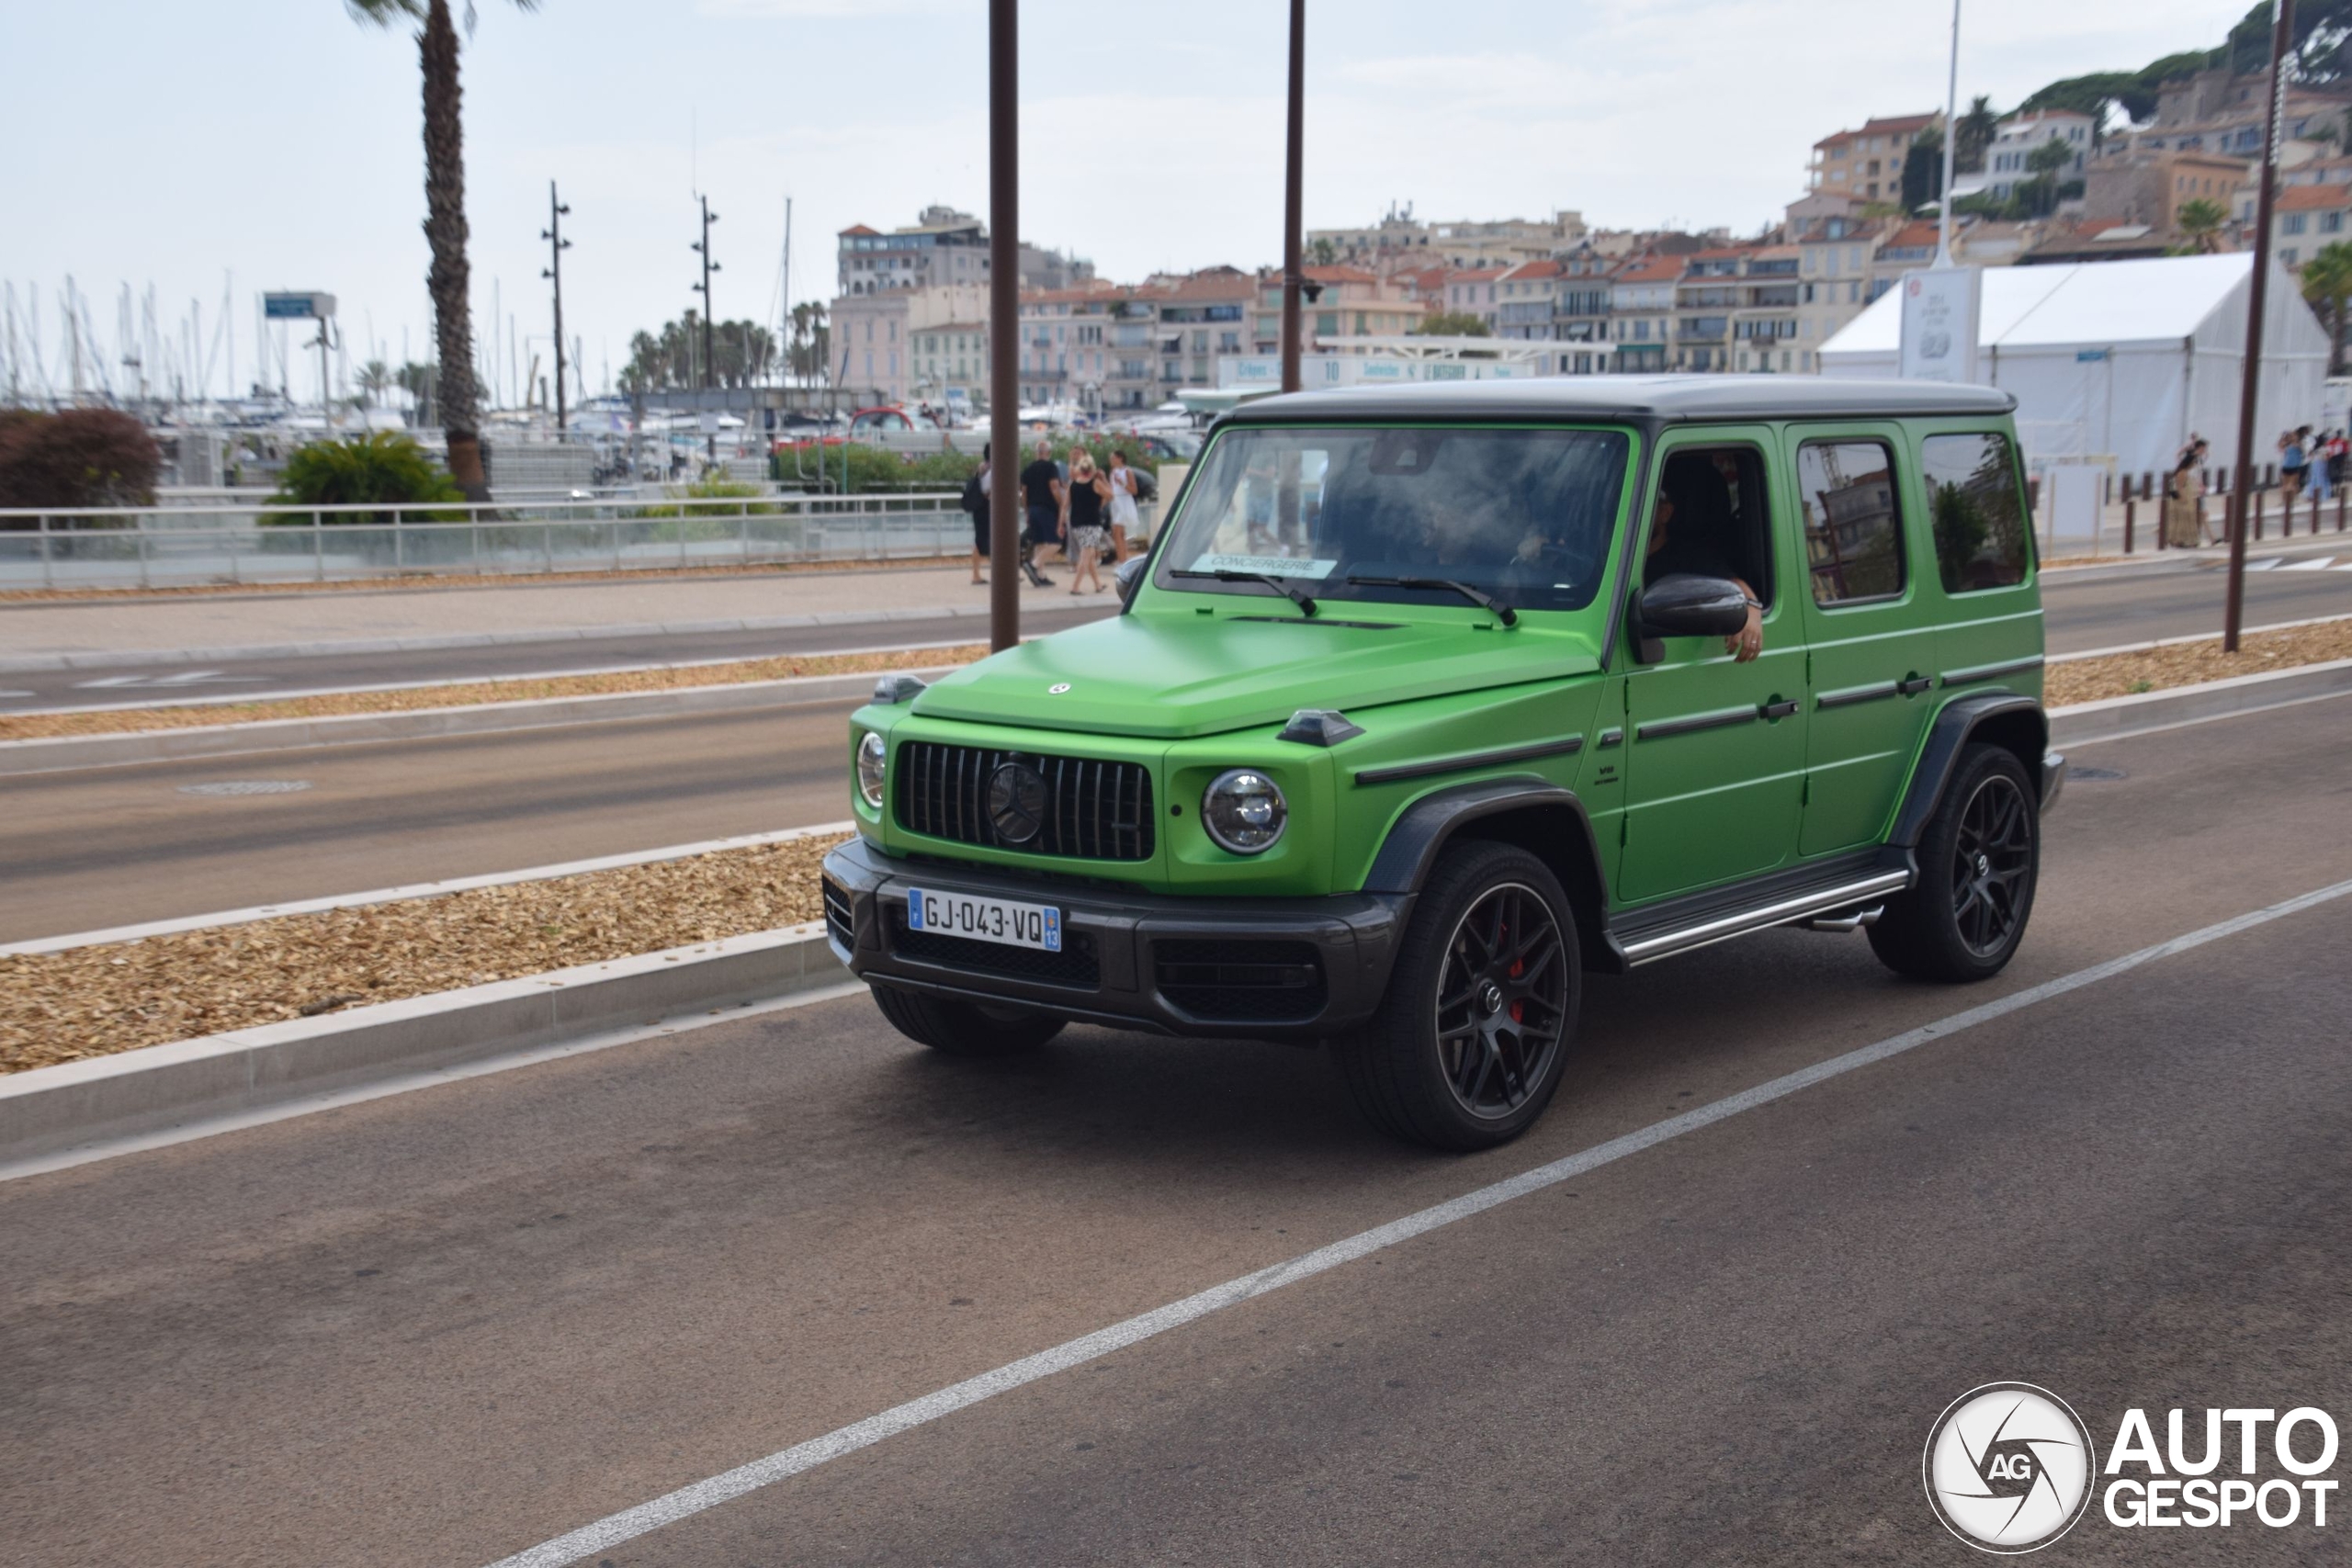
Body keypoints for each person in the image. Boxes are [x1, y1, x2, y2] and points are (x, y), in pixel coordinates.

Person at [1646, 453, 1763, 661]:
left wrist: (1752, 612)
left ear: (1665, 513)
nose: (1635, 515)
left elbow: (1734, 585)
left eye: (1646, 507)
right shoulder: (1619, 558)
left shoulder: (1691, 557)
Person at [1063, 452, 1113, 594]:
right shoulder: (1095, 483)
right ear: (1092, 469)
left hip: (1076, 523)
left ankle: (1098, 584)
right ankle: (1075, 587)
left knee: (1089, 555)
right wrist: (1103, 480)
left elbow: (1065, 505)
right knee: (1086, 556)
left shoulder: (1073, 485)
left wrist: (1061, 522)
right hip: (1092, 523)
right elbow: (1110, 495)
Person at [1021, 440, 1066, 570]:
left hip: (1033, 509)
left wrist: (1027, 512)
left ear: (1036, 453)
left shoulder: (1028, 469)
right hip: (1047, 509)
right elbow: (1054, 488)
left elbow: (1024, 493)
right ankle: (1033, 565)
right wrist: (1062, 504)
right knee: (1055, 543)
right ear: (1049, 452)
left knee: (1039, 543)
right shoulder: (1051, 467)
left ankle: (1040, 575)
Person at [2163, 444, 2206, 549]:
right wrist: (2184, 499)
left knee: (2187, 520)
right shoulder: (2182, 473)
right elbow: (2179, 487)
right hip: (2182, 499)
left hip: (2187, 498)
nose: (2194, 465)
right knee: (2183, 520)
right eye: (2193, 463)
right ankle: (2181, 540)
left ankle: (2184, 540)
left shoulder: (2185, 472)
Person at [962, 445, 991, 585]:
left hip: (979, 507)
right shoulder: (992, 469)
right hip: (987, 508)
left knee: (980, 540)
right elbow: (987, 490)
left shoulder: (982, 468)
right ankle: (977, 575)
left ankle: (976, 574)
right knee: (987, 540)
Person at [1106, 449, 1141, 561]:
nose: (1111, 460)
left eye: (1113, 458)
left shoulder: (1127, 471)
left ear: (1120, 458)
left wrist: (1122, 483)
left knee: (1118, 532)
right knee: (1118, 534)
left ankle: (1122, 560)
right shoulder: (1113, 472)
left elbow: (1134, 490)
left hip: (1124, 502)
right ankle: (1122, 558)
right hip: (1116, 502)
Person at [2279, 429, 2307, 502]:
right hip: (2289, 465)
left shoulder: (2296, 444)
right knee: (2288, 485)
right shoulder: (2290, 444)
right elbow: (2280, 447)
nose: (2293, 437)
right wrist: (2283, 437)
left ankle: (2290, 500)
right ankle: (2287, 500)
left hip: (2291, 465)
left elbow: (2303, 451)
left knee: (2291, 485)